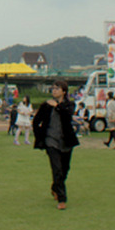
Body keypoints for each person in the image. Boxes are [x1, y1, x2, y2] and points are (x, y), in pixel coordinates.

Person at [32, 80, 80, 210]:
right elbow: (36, 121)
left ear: (64, 91)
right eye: (53, 88)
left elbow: (67, 114)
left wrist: (56, 106)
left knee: (65, 169)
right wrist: (40, 136)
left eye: (57, 88)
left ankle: (55, 187)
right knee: (57, 169)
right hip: (51, 141)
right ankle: (62, 198)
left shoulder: (69, 104)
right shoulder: (46, 105)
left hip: (66, 141)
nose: (54, 91)